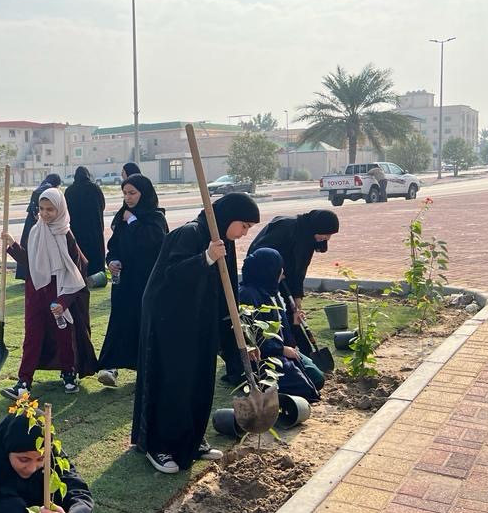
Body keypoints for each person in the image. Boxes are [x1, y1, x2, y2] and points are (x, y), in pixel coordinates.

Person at [133, 193, 261, 474]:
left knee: (199, 379)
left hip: (200, 321)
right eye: (244, 225)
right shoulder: (189, 233)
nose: (244, 233)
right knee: (173, 382)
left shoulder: (223, 242)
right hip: (169, 322)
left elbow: (226, 291)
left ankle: (192, 439)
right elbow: (171, 275)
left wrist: (240, 337)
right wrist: (205, 258)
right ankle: (159, 445)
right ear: (229, 217)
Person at [1, 189, 97, 397]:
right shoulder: (36, 231)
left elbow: (77, 270)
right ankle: (24, 381)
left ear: (60, 209)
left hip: (59, 292)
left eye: (50, 209)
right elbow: (31, 263)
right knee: (32, 335)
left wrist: (64, 300)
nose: (45, 214)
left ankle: (68, 372)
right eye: (42, 209)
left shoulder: (65, 234)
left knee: (64, 334)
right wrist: (12, 246)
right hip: (36, 291)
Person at [95, 175, 168, 387]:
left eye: (132, 193)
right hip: (125, 282)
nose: (128, 197)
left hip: (147, 281)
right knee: (119, 321)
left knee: (145, 323)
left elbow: (153, 241)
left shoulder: (155, 217)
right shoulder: (123, 217)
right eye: (125, 193)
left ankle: (147, 369)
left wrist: (133, 221)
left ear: (144, 193)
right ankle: (110, 366)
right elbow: (114, 246)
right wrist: (112, 261)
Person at [248, 210, 339, 356]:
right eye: (326, 233)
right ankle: (274, 349)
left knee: (293, 313)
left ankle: (301, 351)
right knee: (274, 313)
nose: (327, 238)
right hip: (265, 277)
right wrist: (276, 271)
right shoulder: (286, 226)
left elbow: (300, 269)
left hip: (284, 277)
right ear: (317, 226)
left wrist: (298, 296)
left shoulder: (309, 237)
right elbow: (261, 253)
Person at [238, 248, 323, 401]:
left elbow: (279, 328)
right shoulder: (247, 295)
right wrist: (281, 349)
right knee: (304, 388)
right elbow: (252, 336)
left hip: (280, 349)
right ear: (268, 271)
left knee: (317, 378)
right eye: (279, 269)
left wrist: (294, 322)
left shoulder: (270, 291)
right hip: (264, 356)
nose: (283, 274)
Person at [63, 167, 106, 283]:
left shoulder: (69, 191)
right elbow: (102, 205)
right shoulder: (95, 188)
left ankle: (80, 276)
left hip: (77, 229)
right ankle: (97, 276)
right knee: (95, 251)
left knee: (79, 251)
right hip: (94, 228)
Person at [16, 174, 62, 281]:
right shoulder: (48, 189)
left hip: (32, 221)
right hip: (39, 221)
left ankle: (27, 275)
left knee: (30, 247)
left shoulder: (42, 186)